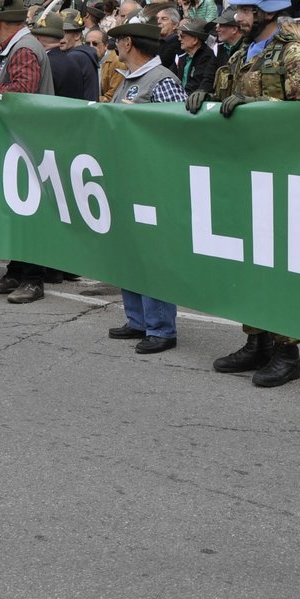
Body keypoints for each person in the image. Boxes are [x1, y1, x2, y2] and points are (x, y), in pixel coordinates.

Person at [186, 0, 300, 386]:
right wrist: (207, 100)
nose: (239, 17)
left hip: (281, 174)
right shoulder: (241, 50)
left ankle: (286, 350)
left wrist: (258, 107)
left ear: (267, 9)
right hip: (244, 171)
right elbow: (227, 96)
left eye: (246, 9)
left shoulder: (294, 54)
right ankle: (256, 340)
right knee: (248, 260)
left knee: (278, 265)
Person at [102, 19, 187, 353]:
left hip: (154, 180)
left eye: (116, 42)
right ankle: (138, 320)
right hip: (129, 176)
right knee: (131, 250)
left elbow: (177, 130)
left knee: (153, 254)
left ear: (127, 43)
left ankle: (162, 327)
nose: (114, 48)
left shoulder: (162, 80)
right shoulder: (130, 80)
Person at [0, 0, 56, 303]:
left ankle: (33, 279)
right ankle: (17, 271)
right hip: (22, 140)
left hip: (30, 141)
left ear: (0, 23)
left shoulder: (23, 49)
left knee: (30, 210)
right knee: (21, 209)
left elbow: (23, 92)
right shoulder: (20, 47)